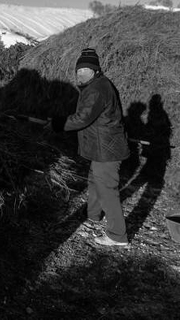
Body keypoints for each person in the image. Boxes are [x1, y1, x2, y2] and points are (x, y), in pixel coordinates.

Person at [49, 48, 130, 247]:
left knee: (107, 189)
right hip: (101, 147)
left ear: (95, 71)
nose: (80, 73)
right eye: (78, 70)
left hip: (107, 150)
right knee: (95, 181)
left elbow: (82, 118)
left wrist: (58, 124)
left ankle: (117, 235)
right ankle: (93, 216)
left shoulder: (96, 89)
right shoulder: (97, 85)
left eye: (85, 69)